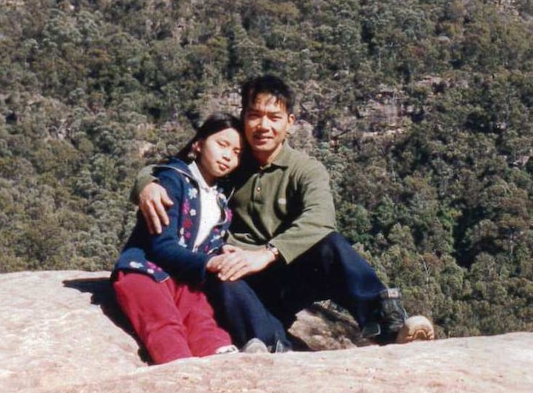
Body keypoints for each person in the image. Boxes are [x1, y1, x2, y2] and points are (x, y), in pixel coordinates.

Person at [133, 75, 434, 352]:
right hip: (241, 278)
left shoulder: (305, 169)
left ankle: (389, 325)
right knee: (223, 271)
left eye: (274, 117)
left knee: (331, 245)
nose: (264, 126)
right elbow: (180, 164)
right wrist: (147, 183)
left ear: (290, 122)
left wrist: (268, 253)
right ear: (244, 118)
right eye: (255, 115)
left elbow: (320, 218)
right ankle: (274, 344)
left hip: (288, 271)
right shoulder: (232, 161)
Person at [113, 112, 258, 364]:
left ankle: (225, 368)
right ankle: (180, 375)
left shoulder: (221, 199)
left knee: (203, 322)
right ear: (198, 144)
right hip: (145, 271)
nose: (228, 156)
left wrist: (221, 251)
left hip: (185, 279)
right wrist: (207, 264)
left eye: (236, 152)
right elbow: (161, 246)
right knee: (163, 323)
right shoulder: (173, 179)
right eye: (222, 145)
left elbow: (205, 242)